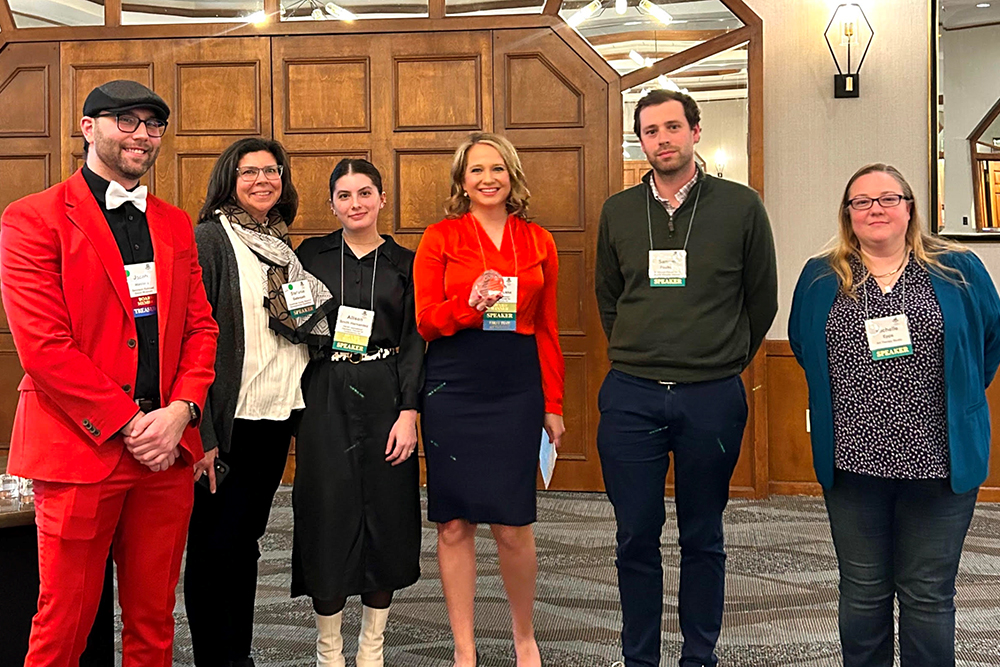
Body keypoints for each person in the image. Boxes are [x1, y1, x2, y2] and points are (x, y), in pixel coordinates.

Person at [0, 79, 218, 667]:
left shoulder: (174, 224)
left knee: (153, 621)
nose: (141, 134)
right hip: (79, 449)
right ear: (88, 126)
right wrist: (130, 422)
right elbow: (44, 349)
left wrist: (182, 412)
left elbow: (201, 329)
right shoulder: (32, 218)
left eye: (152, 124)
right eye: (126, 120)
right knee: (63, 623)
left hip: (166, 451)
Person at [788, 163, 1000, 666]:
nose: (875, 209)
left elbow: (988, 342)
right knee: (862, 592)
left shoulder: (958, 269)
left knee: (928, 595)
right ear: (848, 214)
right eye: (861, 201)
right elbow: (803, 344)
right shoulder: (820, 276)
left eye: (888, 198)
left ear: (909, 208)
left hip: (939, 462)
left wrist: (963, 396)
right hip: (853, 464)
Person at [594, 89, 777, 667]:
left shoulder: (741, 205)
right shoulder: (618, 211)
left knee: (703, 535)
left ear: (696, 132)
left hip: (711, 397)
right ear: (641, 141)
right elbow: (607, 297)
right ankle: (639, 658)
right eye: (650, 131)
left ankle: (700, 656)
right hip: (632, 395)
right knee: (634, 539)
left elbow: (761, 298)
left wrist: (719, 357)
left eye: (673, 127)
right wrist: (642, 348)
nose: (662, 139)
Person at [413, 132, 565, 667]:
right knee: (454, 523)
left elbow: (547, 328)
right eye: (476, 170)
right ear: (461, 181)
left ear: (512, 176)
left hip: (516, 382)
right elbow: (426, 322)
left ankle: (525, 637)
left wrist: (554, 403)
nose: (487, 179)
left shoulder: (539, 240)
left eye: (497, 168)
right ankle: (464, 648)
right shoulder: (441, 237)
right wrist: (468, 303)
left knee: (513, 522)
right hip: (454, 382)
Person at [186, 137, 330, 667]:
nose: (263, 180)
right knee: (213, 544)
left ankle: (237, 653)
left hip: (275, 413)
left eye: (273, 171)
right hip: (228, 421)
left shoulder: (280, 245)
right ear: (229, 179)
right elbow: (191, 338)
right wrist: (200, 434)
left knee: (245, 539)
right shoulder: (208, 240)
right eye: (250, 172)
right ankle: (214, 657)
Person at [292, 158, 424, 667]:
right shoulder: (310, 255)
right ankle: (329, 649)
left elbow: (414, 342)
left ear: (382, 199)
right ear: (332, 204)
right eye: (344, 196)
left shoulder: (405, 263)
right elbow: (293, 318)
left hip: (387, 390)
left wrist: (409, 411)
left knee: (387, 515)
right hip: (325, 389)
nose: (356, 204)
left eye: (365, 193)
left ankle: (372, 647)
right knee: (327, 510)